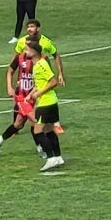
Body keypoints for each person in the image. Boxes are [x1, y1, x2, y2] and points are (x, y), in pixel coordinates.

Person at [14, 19, 65, 134]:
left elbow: (56, 55)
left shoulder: (46, 42)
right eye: (28, 27)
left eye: (32, 26)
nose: (29, 29)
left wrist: (60, 73)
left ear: (38, 28)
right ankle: (17, 126)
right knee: (23, 101)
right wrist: (18, 78)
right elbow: (17, 60)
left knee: (47, 97)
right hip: (28, 77)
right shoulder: (22, 41)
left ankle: (55, 124)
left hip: (42, 73)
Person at [0, 43, 42, 158]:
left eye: (27, 49)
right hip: (22, 97)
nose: (24, 51)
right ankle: (41, 148)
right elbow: (10, 71)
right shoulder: (19, 58)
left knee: (19, 124)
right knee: (35, 120)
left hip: (35, 95)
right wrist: (9, 87)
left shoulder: (42, 60)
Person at [25, 39, 64, 171]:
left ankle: (51, 158)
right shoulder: (37, 65)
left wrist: (38, 94)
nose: (25, 52)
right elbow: (40, 84)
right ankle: (58, 157)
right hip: (50, 102)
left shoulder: (41, 64)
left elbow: (53, 82)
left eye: (27, 50)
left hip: (46, 103)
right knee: (48, 130)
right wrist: (31, 94)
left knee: (38, 131)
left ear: (34, 51)